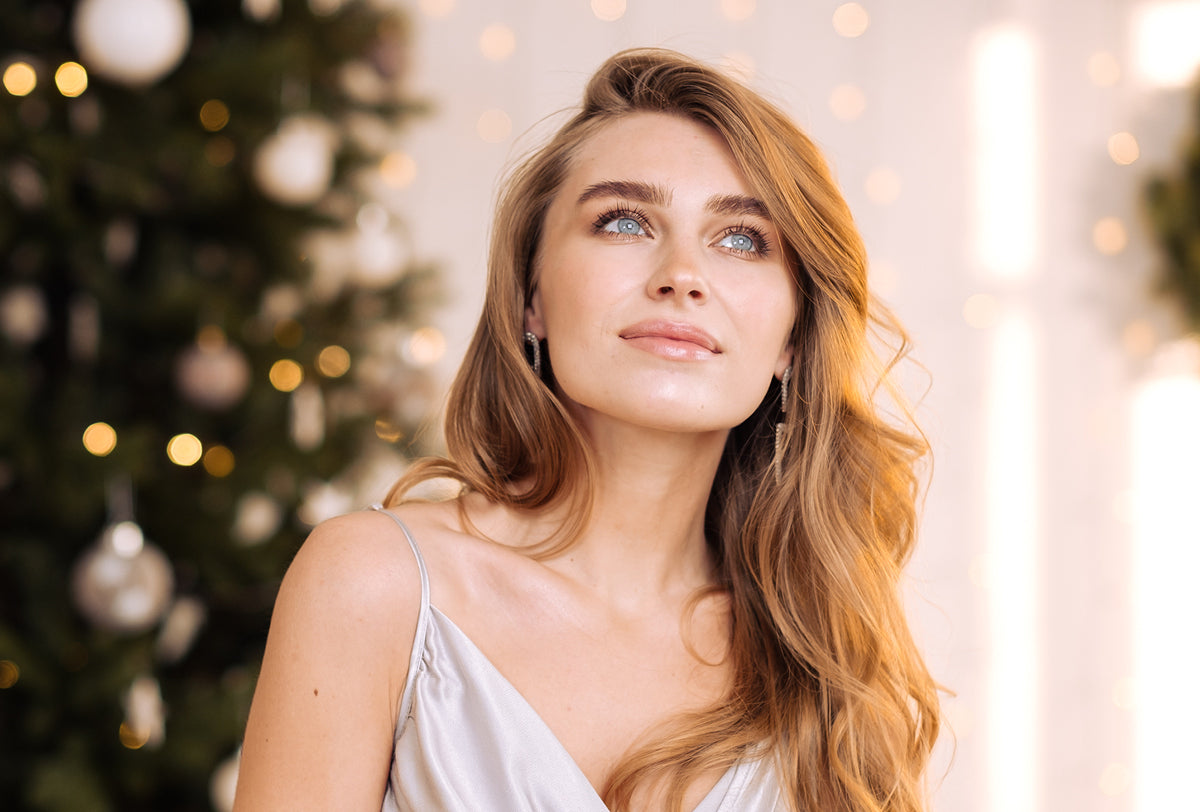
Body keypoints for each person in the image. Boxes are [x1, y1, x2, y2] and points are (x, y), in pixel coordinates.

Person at [233, 48, 942, 812]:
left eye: (741, 238)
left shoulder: (824, 651)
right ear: (530, 298)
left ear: (792, 341)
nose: (682, 274)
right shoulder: (376, 585)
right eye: (625, 221)